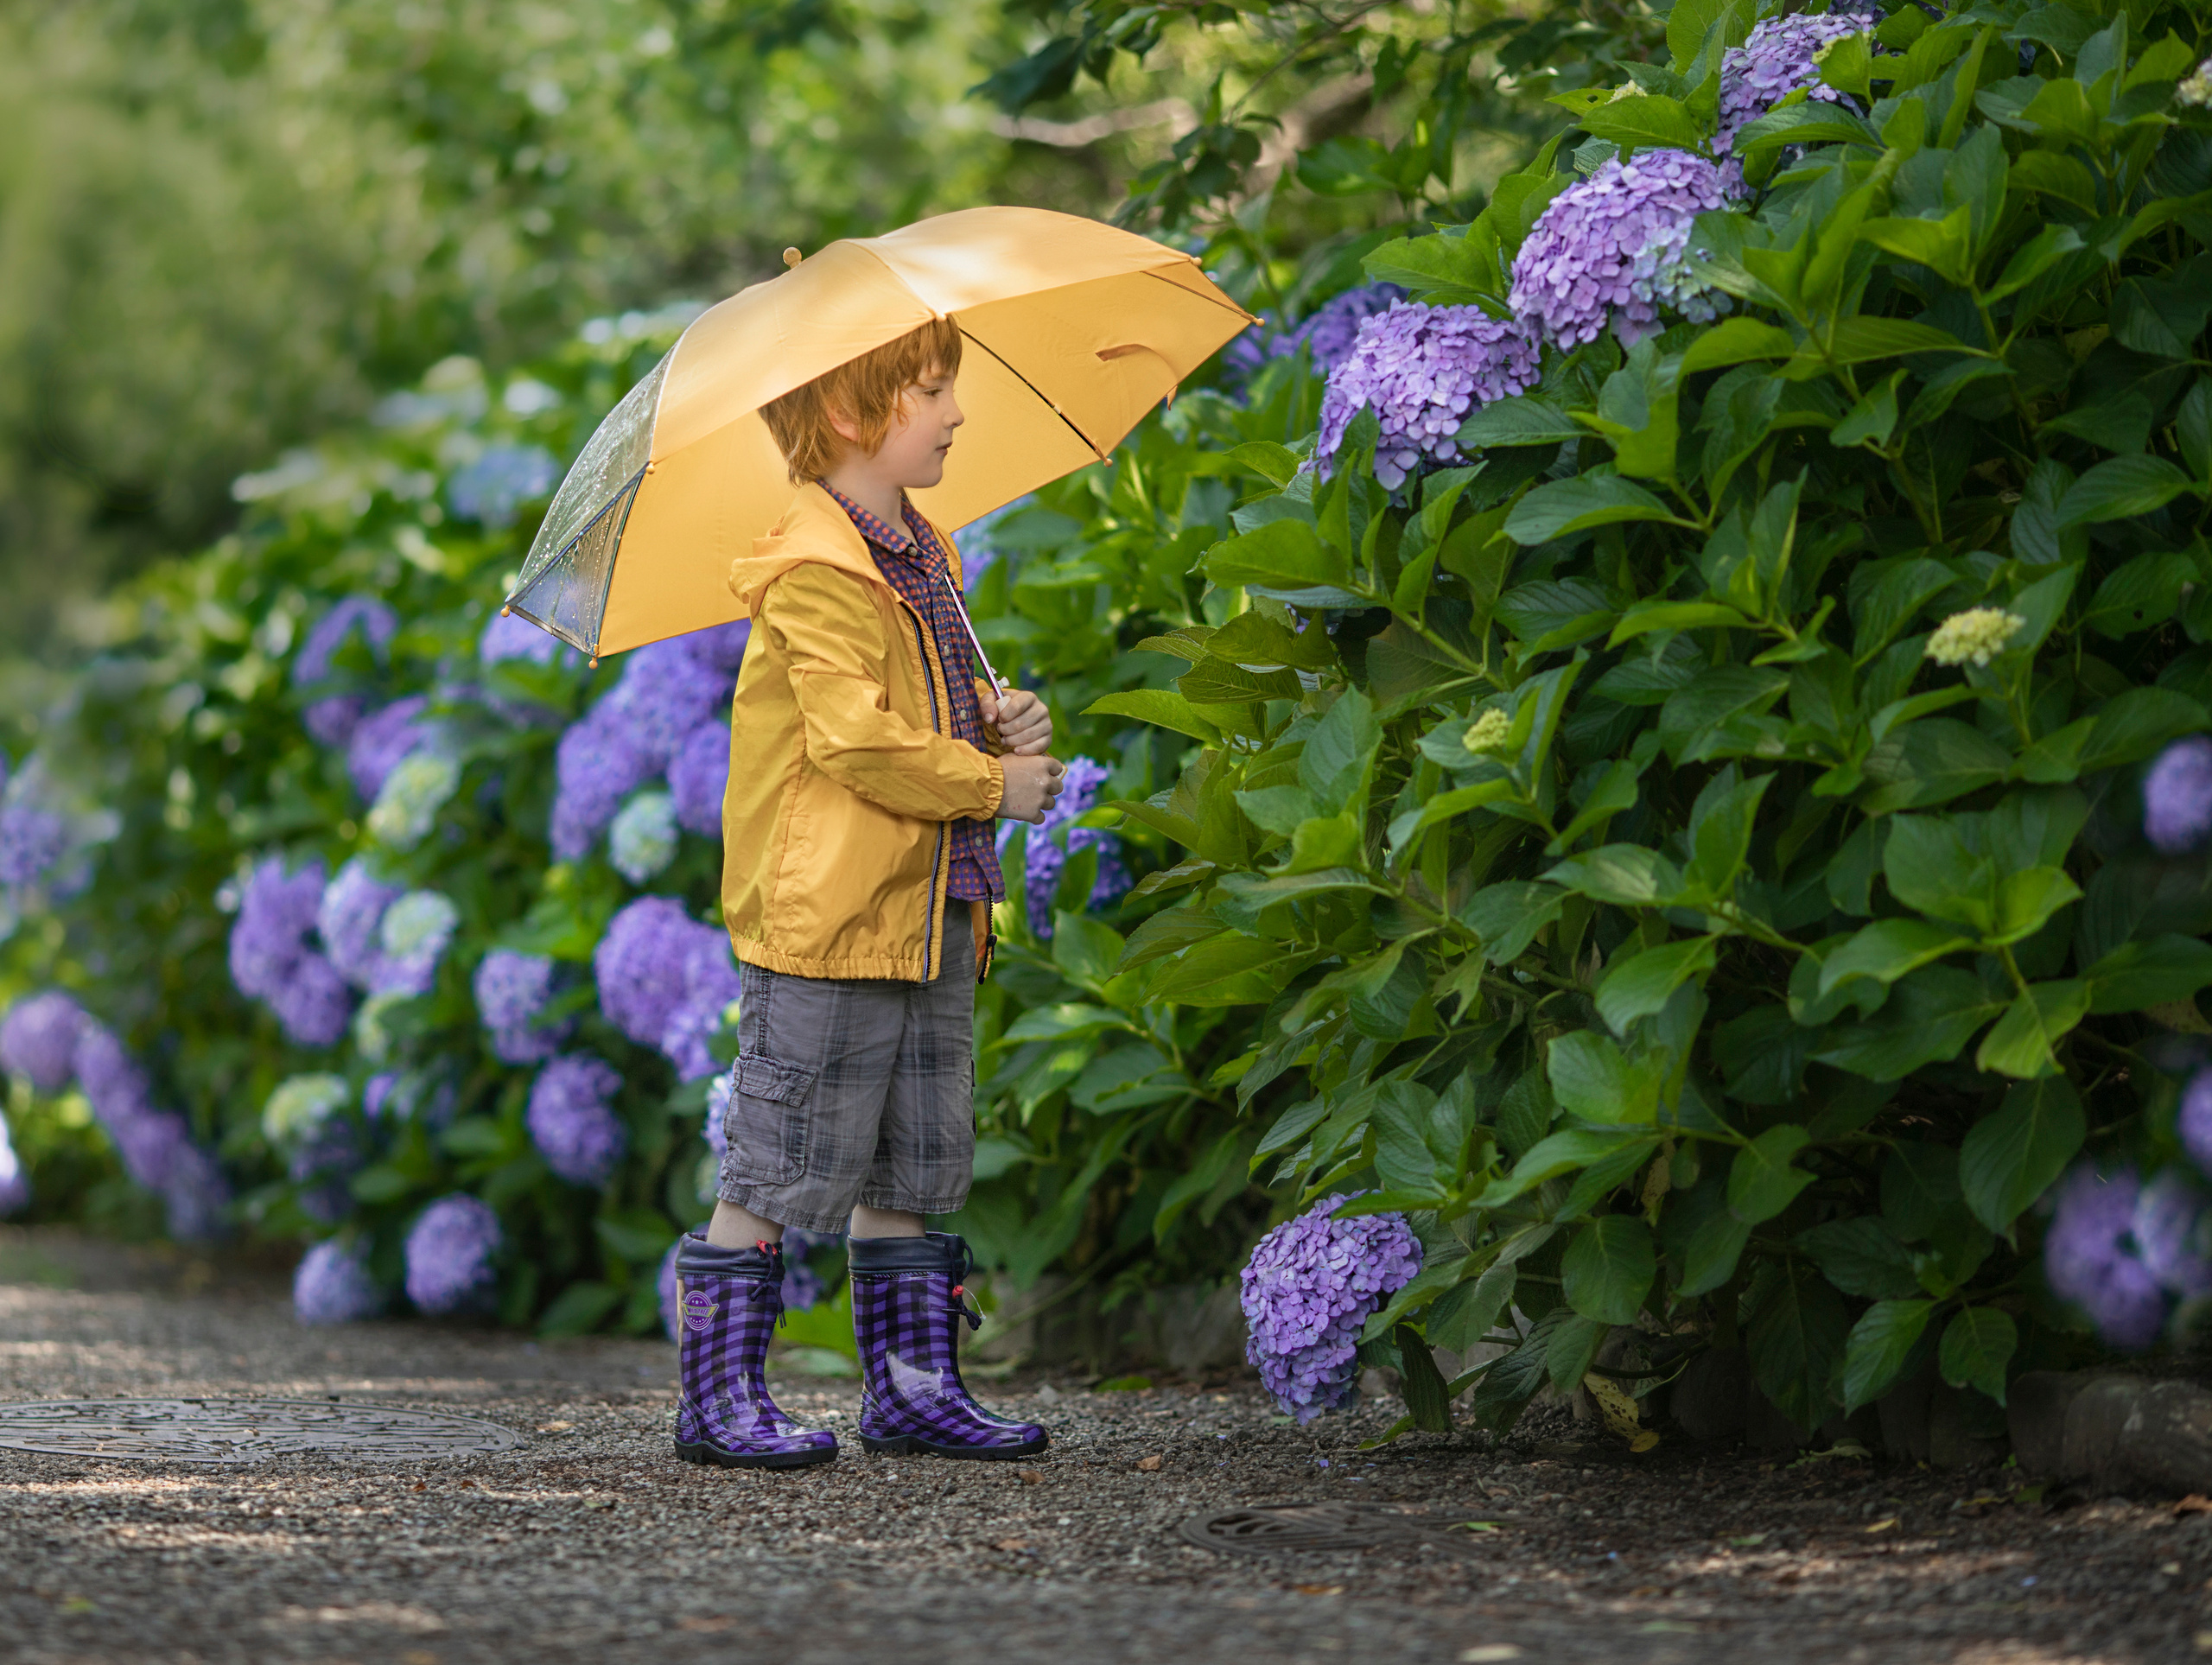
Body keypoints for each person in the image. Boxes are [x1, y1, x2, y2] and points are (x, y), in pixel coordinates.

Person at [667, 315, 1065, 1468]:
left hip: (930, 897)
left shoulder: (919, 548)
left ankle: (910, 1386)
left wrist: (1002, 716)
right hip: (835, 916)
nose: (955, 413)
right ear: (849, 412)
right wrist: (994, 780)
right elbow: (853, 743)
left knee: (915, 1155)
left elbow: (927, 701)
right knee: (783, 1157)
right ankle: (717, 1397)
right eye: (932, 390)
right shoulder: (815, 567)